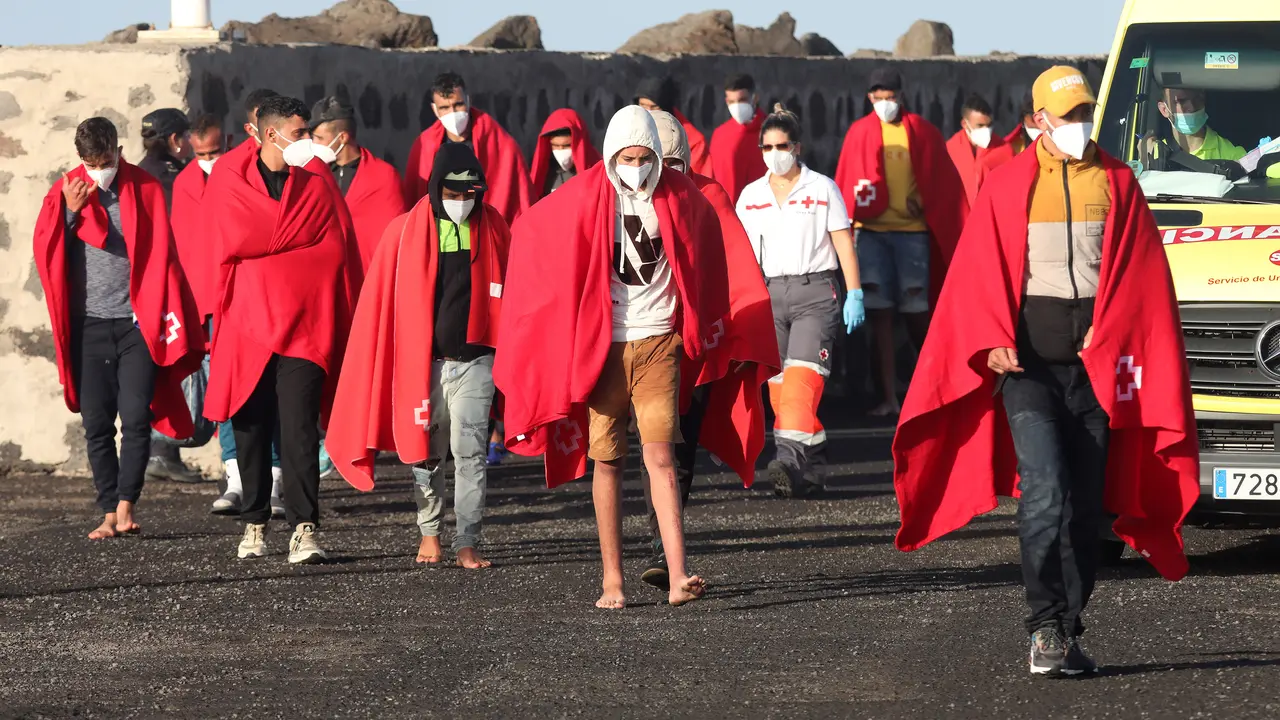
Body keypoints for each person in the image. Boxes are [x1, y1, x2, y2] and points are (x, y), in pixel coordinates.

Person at [892, 67, 1199, 677]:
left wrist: (1112, 334)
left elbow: (1140, 278)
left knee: (1089, 508)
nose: (1079, 124)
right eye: (1066, 115)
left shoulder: (1118, 180)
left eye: (1085, 112)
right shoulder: (1007, 186)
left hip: (1097, 371)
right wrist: (988, 342)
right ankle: (1042, 626)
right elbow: (978, 274)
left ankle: (1067, 626)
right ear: (1038, 121)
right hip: (1029, 369)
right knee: (1045, 494)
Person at [495, 106, 771, 609]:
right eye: (627, 158)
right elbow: (533, 232)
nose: (637, 167)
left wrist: (699, 328)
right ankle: (612, 580)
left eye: (646, 158)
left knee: (661, 456)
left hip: (658, 343)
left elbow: (709, 252)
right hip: (605, 345)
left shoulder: (683, 197)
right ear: (609, 156)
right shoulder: (582, 197)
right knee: (607, 462)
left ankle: (679, 576)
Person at [328, 143, 510, 570]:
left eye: (471, 194)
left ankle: (468, 540)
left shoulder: (496, 228)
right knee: (426, 453)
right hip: (423, 365)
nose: (462, 202)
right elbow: (380, 307)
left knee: (469, 452)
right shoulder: (403, 232)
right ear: (434, 188)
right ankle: (430, 532)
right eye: (452, 192)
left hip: (476, 361)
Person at [203, 95, 362, 564]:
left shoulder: (317, 182)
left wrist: (270, 253)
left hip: (305, 326)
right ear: (270, 133)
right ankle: (254, 520)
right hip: (247, 324)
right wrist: (289, 247)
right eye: (299, 133)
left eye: (308, 131)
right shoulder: (231, 180)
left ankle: (304, 527)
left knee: (298, 430)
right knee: (250, 426)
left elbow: (336, 249)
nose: (308, 140)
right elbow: (228, 242)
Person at [32, 117, 203, 539]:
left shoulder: (143, 187)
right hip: (89, 324)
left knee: (136, 417)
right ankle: (108, 508)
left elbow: (160, 250)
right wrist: (72, 214)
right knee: (95, 423)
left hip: (135, 324)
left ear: (117, 150)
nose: (97, 168)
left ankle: (127, 503)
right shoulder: (67, 189)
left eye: (104, 160)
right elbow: (48, 251)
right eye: (90, 161)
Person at [640, 110, 779, 589]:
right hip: (645, 340)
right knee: (654, 446)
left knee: (680, 449)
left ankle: (663, 546)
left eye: (673, 163)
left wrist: (739, 339)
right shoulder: (620, 200)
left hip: (696, 347)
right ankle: (660, 544)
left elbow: (739, 272)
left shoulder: (709, 194)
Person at [738, 105, 864, 498]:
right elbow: (739, 251)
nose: (775, 153)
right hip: (769, 296)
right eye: (767, 146)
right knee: (780, 391)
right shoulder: (751, 195)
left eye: (783, 145)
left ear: (798, 145)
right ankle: (816, 463)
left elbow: (843, 240)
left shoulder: (822, 187)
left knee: (799, 385)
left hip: (816, 294)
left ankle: (788, 462)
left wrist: (855, 292)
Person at [834, 67, 968, 417]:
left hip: (913, 235)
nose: (884, 103)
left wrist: (923, 203)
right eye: (877, 97)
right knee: (879, 317)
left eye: (889, 96)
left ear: (901, 95)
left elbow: (944, 186)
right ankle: (888, 397)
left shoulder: (923, 131)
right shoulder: (858, 132)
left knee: (917, 316)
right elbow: (844, 183)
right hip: (871, 234)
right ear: (869, 98)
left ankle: (935, 390)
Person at [138, 108, 209, 485]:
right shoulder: (173, 179)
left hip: (141, 287)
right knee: (177, 360)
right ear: (174, 140)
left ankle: (156, 448)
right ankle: (164, 447)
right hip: (172, 282)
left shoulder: (137, 172)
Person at [404, 72, 532, 226]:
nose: (452, 113)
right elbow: (415, 198)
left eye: (458, 104)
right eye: (444, 107)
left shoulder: (500, 143)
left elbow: (521, 199)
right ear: (435, 109)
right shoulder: (424, 145)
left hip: (488, 228)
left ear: (468, 100)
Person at [309, 96, 406, 270]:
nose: (314, 144)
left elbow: (395, 240)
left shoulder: (383, 177)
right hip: (327, 275)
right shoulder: (314, 176)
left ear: (343, 137)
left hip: (367, 276)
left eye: (319, 138)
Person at [946, 94, 1014, 206]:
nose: (986, 130)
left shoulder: (1004, 150)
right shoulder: (950, 150)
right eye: (980, 125)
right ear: (964, 124)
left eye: (989, 125)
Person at [635, 76, 712, 176]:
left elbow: (701, 183)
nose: (649, 111)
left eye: (655, 107)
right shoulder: (629, 131)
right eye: (643, 105)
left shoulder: (693, 141)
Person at [710, 74, 768, 204]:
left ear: (755, 98)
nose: (737, 106)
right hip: (728, 214)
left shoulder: (772, 132)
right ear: (726, 102)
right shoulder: (720, 135)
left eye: (742, 100)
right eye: (732, 102)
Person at [1151, 87, 1246, 161]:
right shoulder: (1154, 154)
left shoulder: (1233, 155)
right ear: (1164, 110)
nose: (1192, 107)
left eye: (1198, 98)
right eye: (1181, 101)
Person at [529, 108, 601, 200]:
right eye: (555, 145)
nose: (560, 150)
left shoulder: (597, 171)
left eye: (566, 146)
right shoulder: (543, 176)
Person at [136, 108, 192, 206]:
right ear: (175, 139)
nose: (190, 140)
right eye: (187, 135)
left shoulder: (142, 169)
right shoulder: (168, 178)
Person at [1003, 91, 1041, 156]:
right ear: (1024, 118)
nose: (1039, 126)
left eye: (1041, 119)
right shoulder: (1012, 148)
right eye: (1033, 119)